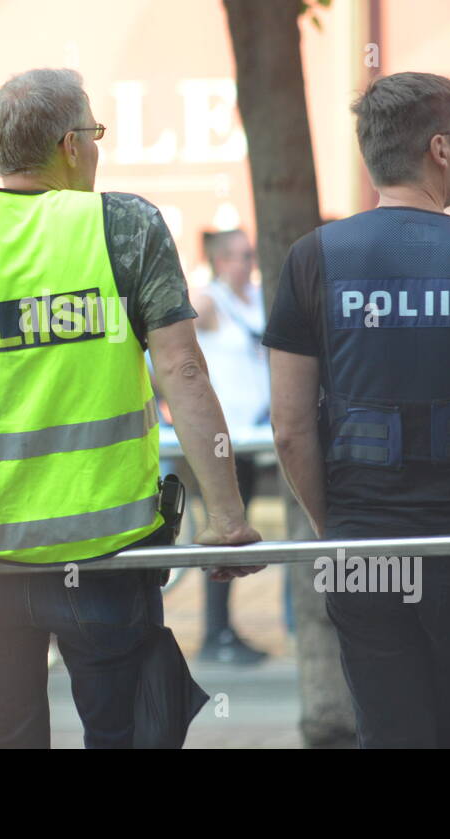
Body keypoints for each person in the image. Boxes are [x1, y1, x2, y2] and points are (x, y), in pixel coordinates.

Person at [0, 68, 263, 748]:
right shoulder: (123, 225)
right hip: (103, 558)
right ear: (72, 145)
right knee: (128, 732)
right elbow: (183, 369)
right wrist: (225, 518)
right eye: (96, 135)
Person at [261, 71, 450, 748]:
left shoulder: (311, 260)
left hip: (364, 544)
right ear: (438, 148)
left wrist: (338, 525)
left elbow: (288, 429)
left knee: (392, 734)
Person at [193, 229, 274, 664]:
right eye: (242, 255)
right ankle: (215, 634)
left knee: (238, 534)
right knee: (223, 531)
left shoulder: (257, 298)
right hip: (224, 441)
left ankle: (225, 630)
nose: (249, 262)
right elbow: (167, 353)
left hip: (255, 437)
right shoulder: (208, 302)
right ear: (222, 261)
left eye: (252, 254)